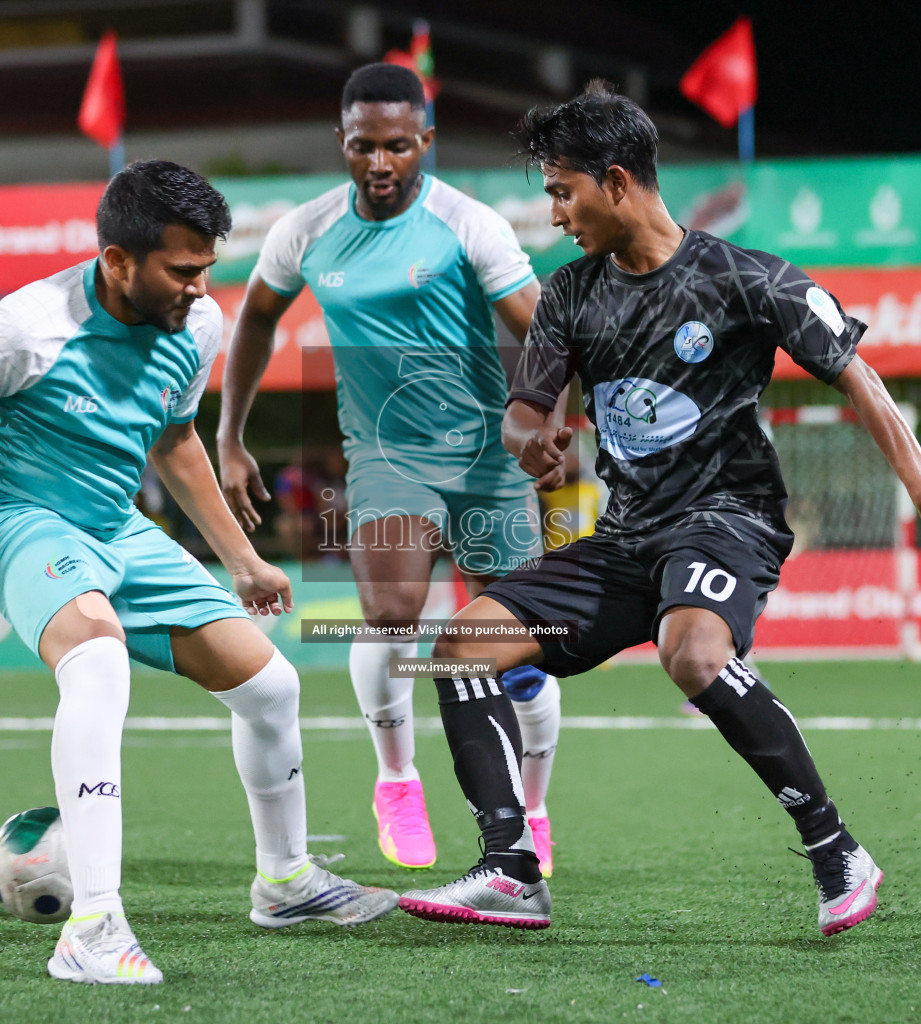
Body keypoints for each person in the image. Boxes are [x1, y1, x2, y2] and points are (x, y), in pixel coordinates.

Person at [397, 83, 921, 934]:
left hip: (726, 519)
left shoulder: (745, 278)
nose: (555, 213)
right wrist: (533, 438)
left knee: (692, 655)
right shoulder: (568, 295)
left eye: (564, 191)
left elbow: (856, 372)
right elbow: (527, 409)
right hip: (627, 535)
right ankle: (511, 869)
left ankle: (836, 850)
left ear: (619, 180)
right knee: (459, 648)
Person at [0, 161, 396, 987]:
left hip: (114, 525)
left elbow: (174, 440)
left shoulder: (196, 325)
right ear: (116, 260)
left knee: (272, 686)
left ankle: (285, 883)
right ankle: (93, 929)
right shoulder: (24, 328)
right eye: (181, 271)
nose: (200, 291)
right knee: (96, 661)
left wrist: (240, 559)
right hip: (11, 516)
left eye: (207, 270)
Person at [218, 64, 566, 875]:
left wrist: (548, 426)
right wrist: (229, 435)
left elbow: (547, 331)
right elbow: (254, 324)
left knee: (520, 650)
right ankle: (398, 781)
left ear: (426, 144)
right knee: (390, 609)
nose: (380, 164)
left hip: (487, 455)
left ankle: (533, 808)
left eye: (399, 147)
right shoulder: (303, 230)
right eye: (364, 146)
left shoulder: (467, 224)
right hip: (384, 456)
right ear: (342, 143)